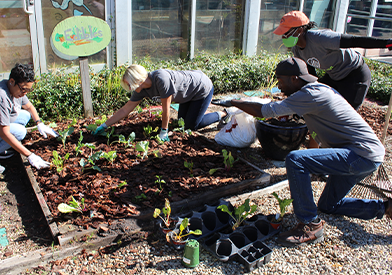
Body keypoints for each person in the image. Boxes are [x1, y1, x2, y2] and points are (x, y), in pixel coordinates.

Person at [213, 57, 390, 246]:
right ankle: (385, 208)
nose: (279, 87)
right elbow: (313, 132)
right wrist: (315, 161)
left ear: (294, 78)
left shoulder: (310, 95)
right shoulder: (317, 90)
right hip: (366, 154)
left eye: (280, 81)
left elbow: (264, 111)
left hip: (360, 155)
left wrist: (233, 102)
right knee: (328, 206)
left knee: (296, 159)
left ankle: (310, 224)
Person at [273, 10, 392, 110]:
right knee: (319, 102)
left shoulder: (321, 38)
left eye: (286, 33)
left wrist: (386, 44)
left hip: (354, 75)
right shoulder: (297, 49)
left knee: (344, 113)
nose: (284, 37)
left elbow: (354, 40)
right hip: (334, 76)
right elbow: (309, 74)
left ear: (299, 30)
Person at [93, 64, 229, 141]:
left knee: (191, 126)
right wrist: (105, 125)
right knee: (181, 124)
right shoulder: (140, 90)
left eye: (130, 85)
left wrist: (164, 131)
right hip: (186, 95)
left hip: (201, 88)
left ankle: (224, 113)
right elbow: (125, 110)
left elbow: (166, 109)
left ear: (138, 80)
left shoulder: (160, 79)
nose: (130, 89)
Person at [0, 63, 58, 174]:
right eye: (23, 90)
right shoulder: (0, 97)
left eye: (28, 91)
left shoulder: (14, 89)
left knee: (25, 115)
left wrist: (39, 123)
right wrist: (30, 155)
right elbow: (4, 133)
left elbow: (29, 106)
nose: (24, 93)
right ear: (12, 81)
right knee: (19, 132)